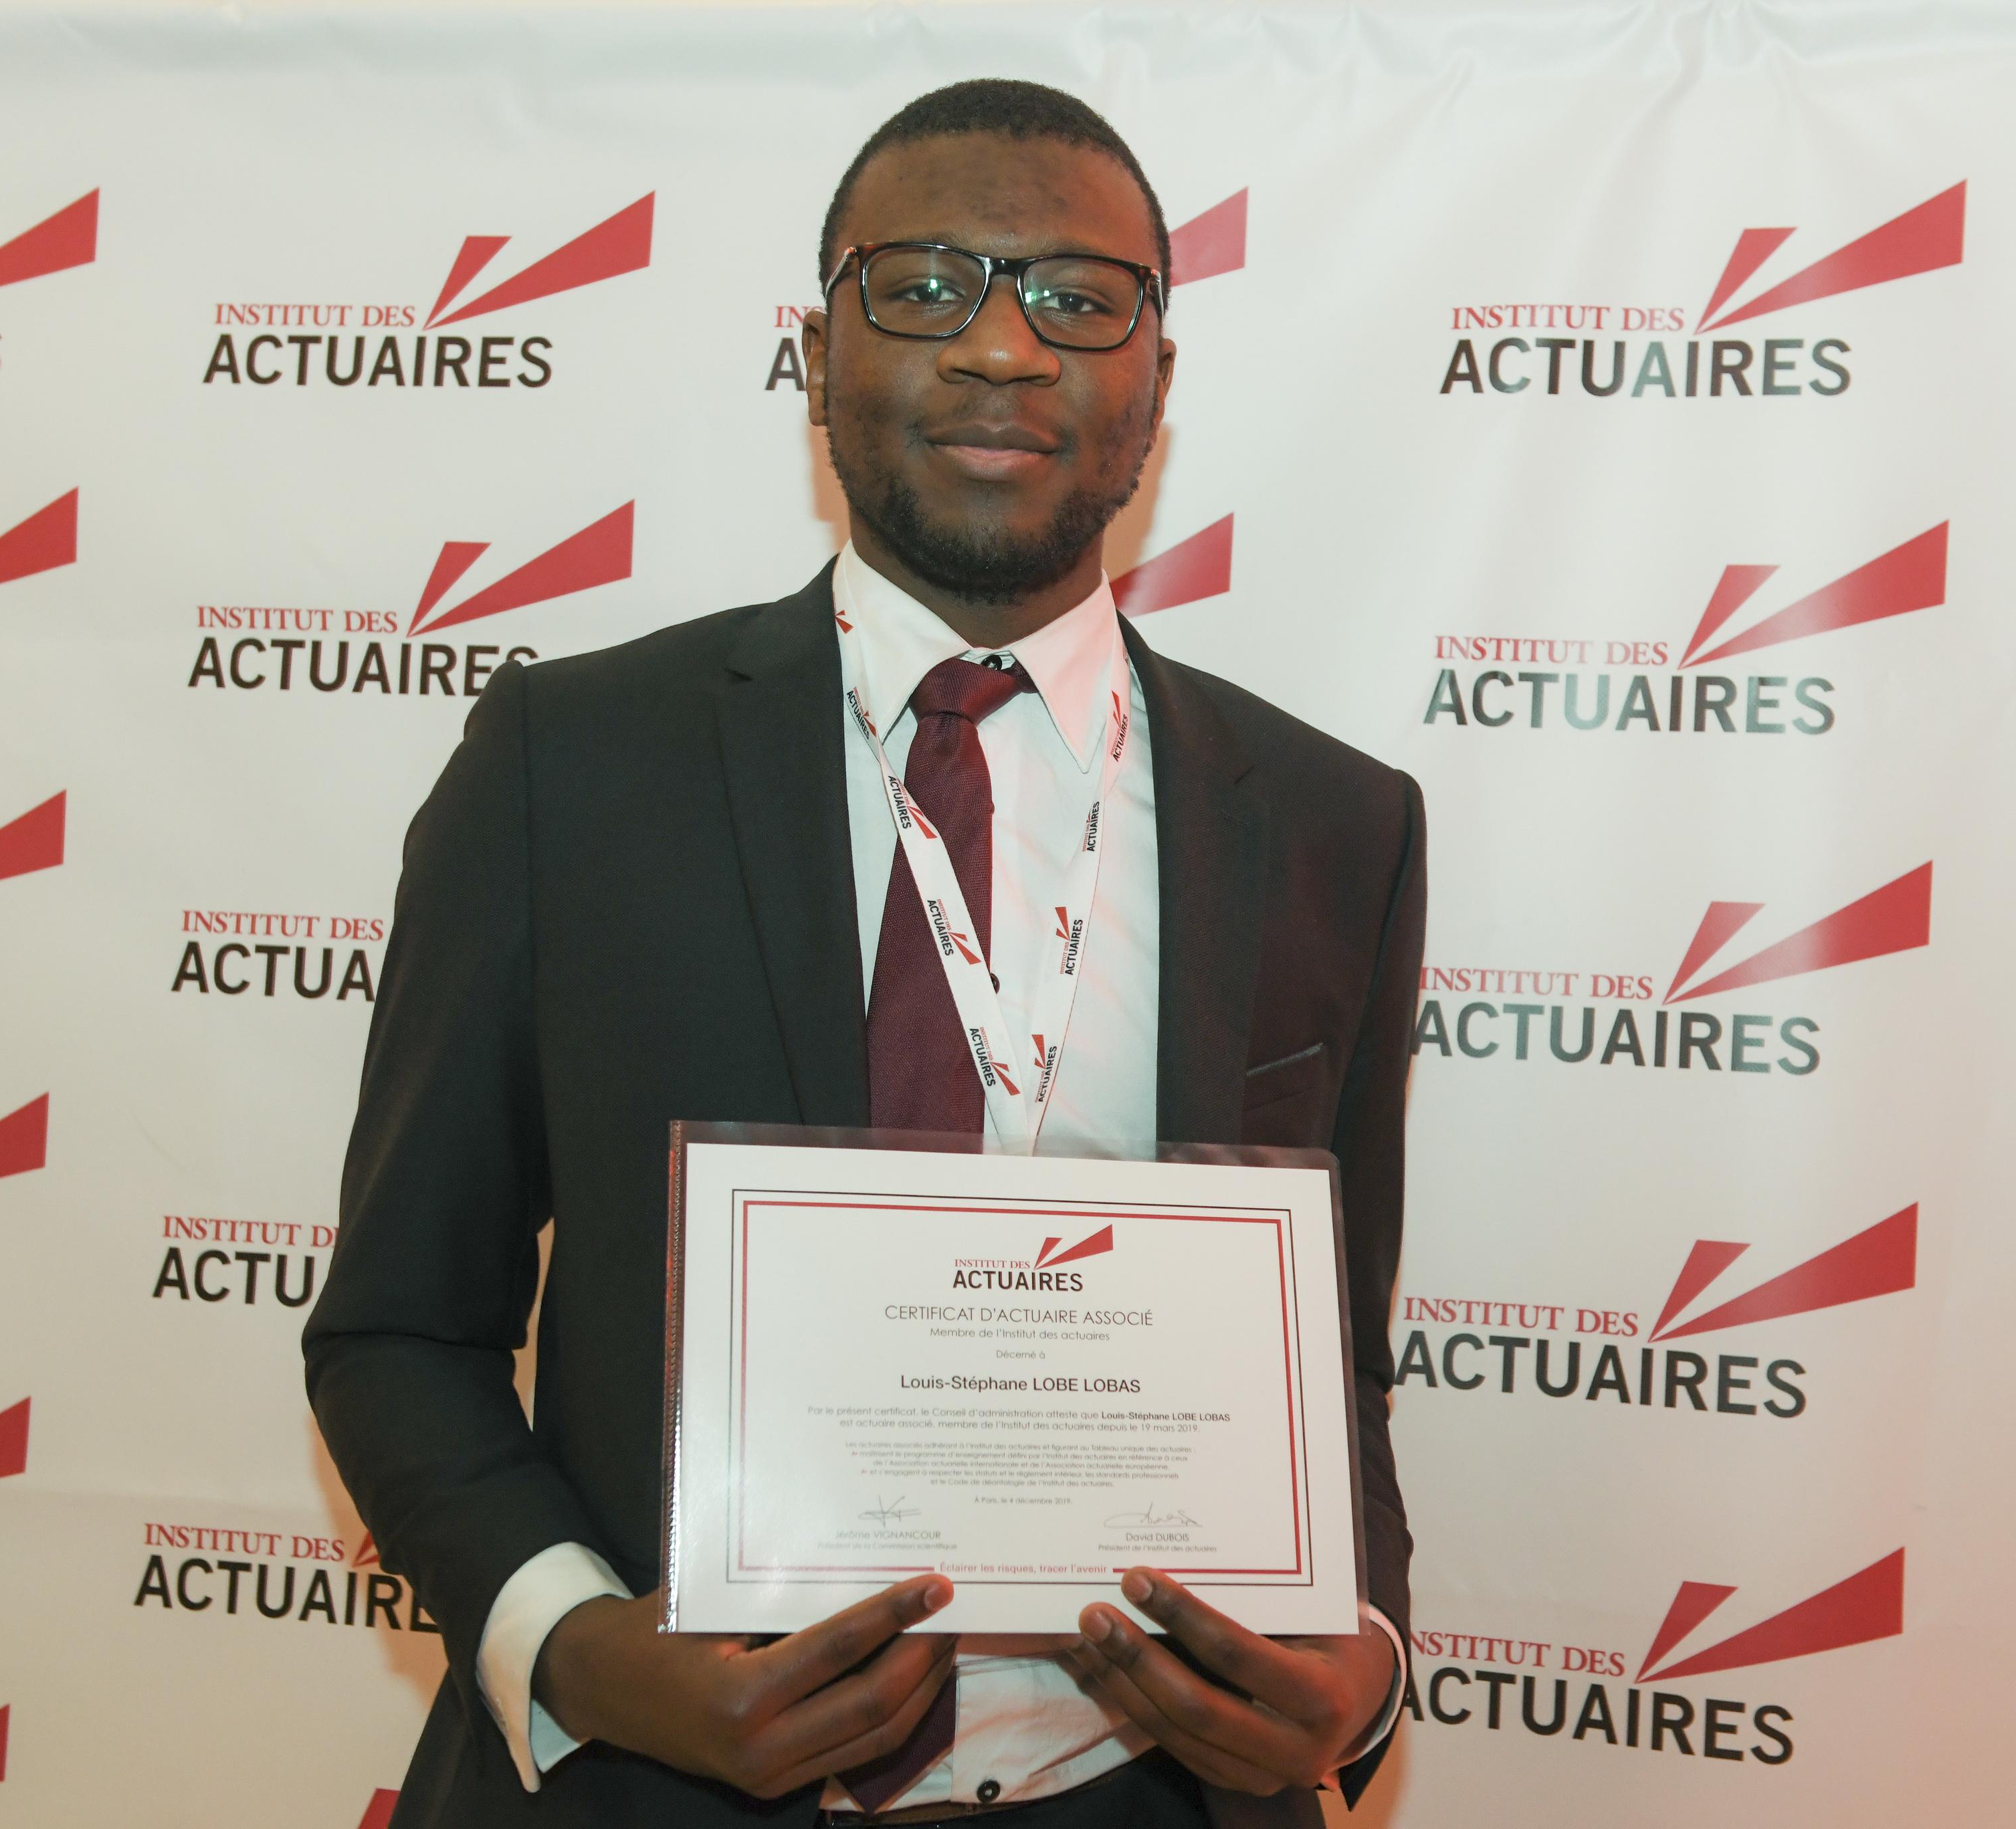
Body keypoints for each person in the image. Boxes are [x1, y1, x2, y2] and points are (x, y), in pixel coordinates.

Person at [306, 79, 1425, 1828]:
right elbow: (397, 1330)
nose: (1001, 346)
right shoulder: (566, 767)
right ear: (815, 354)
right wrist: (580, 1655)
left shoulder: (1334, 824)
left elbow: (1330, 1366)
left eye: (1079, 298)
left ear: (1158, 377)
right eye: (922, 286)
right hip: (658, 1789)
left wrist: (1361, 1659)